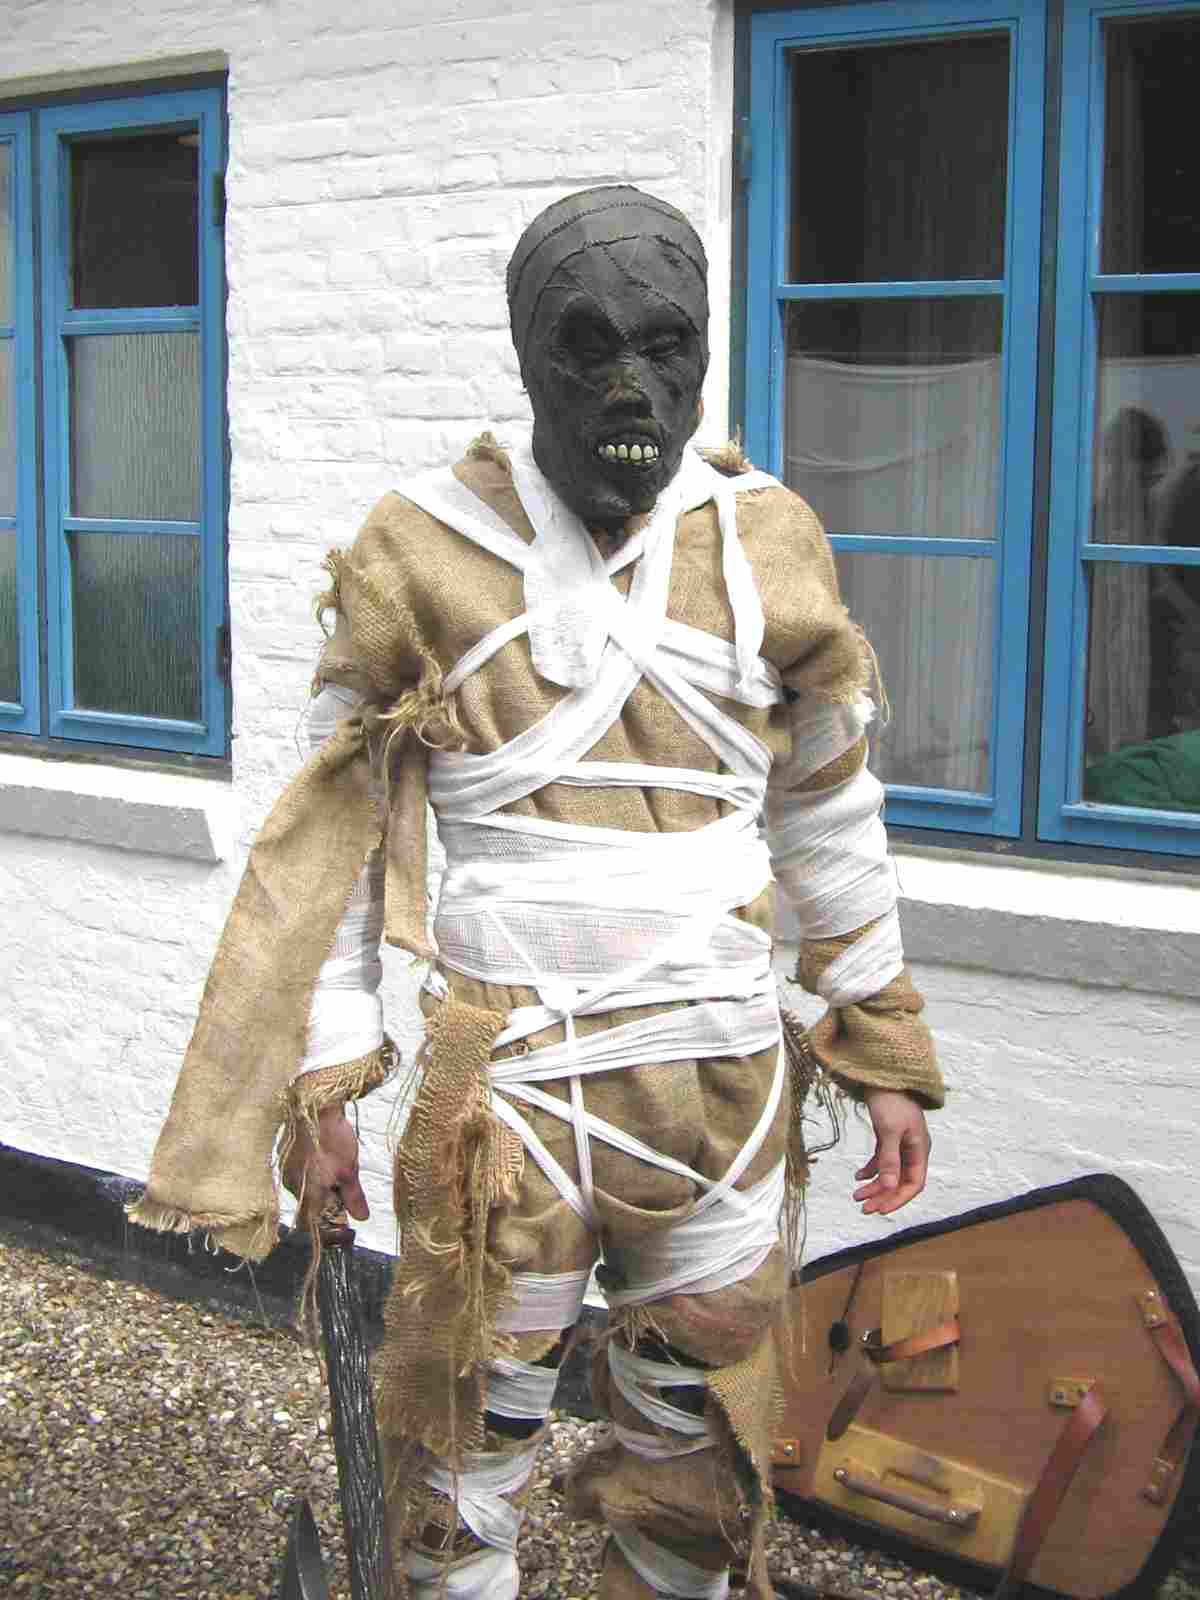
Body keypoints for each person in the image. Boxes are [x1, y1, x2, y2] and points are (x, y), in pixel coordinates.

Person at [132, 186, 943, 1600]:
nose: (632, 387)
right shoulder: (418, 552)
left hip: (723, 1090)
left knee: (694, 1468)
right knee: (463, 1471)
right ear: (527, 357)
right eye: (587, 345)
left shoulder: (768, 543)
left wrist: (880, 1042)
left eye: (666, 346)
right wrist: (325, 1083)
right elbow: (335, 843)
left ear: (704, 352)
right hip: (505, 1107)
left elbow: (828, 808)